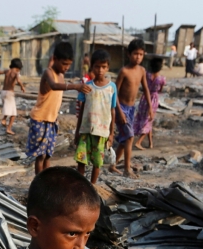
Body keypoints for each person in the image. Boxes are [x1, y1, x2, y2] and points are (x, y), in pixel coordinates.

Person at [27, 42, 91, 175]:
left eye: (69, 64)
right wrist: (75, 86)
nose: (66, 67)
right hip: (40, 119)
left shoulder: (61, 76)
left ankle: (47, 180)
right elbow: (54, 85)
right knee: (41, 156)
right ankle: (40, 181)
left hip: (51, 120)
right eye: (64, 63)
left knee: (49, 154)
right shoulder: (48, 73)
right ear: (55, 59)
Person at [110, 38, 153, 178]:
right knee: (129, 137)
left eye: (141, 54)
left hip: (131, 108)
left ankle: (113, 165)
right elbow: (114, 92)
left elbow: (146, 89)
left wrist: (150, 108)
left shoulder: (142, 70)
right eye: (135, 54)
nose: (138, 57)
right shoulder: (124, 71)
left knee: (124, 139)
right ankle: (127, 169)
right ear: (129, 54)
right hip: (121, 108)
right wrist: (119, 111)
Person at [73, 49, 117, 184]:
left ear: (108, 67)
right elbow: (81, 110)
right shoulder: (86, 87)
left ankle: (92, 186)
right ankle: (81, 185)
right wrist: (77, 131)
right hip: (86, 129)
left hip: (101, 132)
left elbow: (112, 110)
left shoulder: (112, 87)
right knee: (81, 159)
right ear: (92, 66)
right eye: (97, 66)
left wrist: (111, 133)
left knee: (97, 162)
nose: (100, 70)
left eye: (104, 67)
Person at [134, 57, 165, 150]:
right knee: (148, 121)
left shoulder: (147, 75)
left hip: (144, 98)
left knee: (147, 120)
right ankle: (138, 142)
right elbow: (160, 89)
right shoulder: (161, 79)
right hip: (153, 99)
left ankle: (150, 143)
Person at [0, 58, 26, 135]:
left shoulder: (7, 71)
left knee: (8, 108)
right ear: (18, 67)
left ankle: (4, 119)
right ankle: (8, 128)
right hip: (9, 93)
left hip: (3, 92)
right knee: (13, 113)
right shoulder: (15, 72)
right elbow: (18, 80)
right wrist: (22, 86)